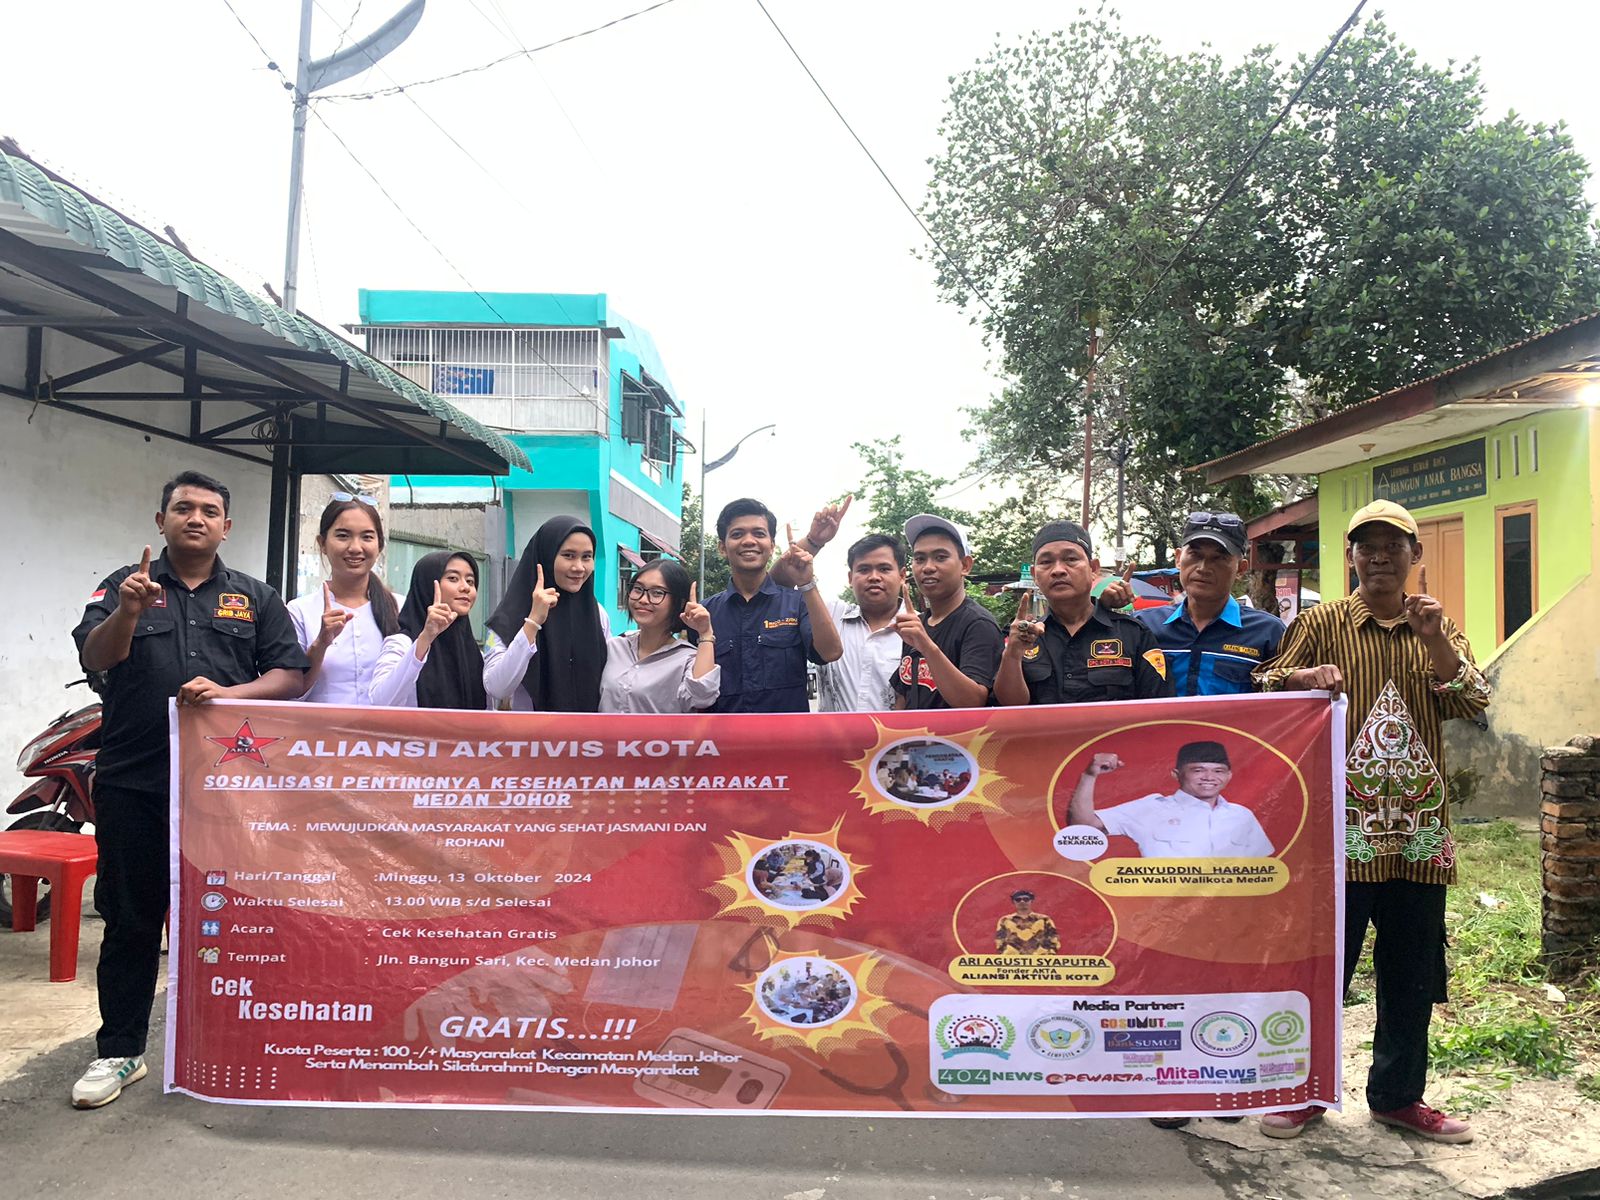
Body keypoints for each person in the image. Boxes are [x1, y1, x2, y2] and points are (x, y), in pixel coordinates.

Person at [1252, 499, 1490, 1144]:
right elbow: (1267, 686)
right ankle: (1303, 1092)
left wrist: (1434, 640)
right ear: (1351, 556)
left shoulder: (1437, 624)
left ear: (1415, 555)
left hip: (1416, 834)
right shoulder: (1321, 622)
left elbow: (1472, 700)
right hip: (1336, 834)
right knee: (1322, 967)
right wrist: (1303, 676)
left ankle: (1398, 1098)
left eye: (1393, 546)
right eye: (1367, 546)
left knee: (1410, 973)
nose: (1379, 556)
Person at [69, 470, 308, 1109]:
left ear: (226, 526)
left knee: (239, 921)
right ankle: (120, 1052)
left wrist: (231, 693)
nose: (195, 518)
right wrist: (128, 611)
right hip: (135, 783)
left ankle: (241, 1044)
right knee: (131, 919)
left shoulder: (255, 598)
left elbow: (290, 675)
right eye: (182, 508)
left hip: (228, 793)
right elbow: (95, 658)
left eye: (208, 510)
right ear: (162, 520)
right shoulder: (125, 586)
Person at [1102, 512, 1286, 696]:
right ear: (1178, 559)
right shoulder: (1143, 626)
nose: (1203, 568)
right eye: (1195, 555)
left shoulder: (1268, 633)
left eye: (1219, 558)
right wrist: (1103, 612)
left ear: (1241, 569)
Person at [994, 521, 1172, 706]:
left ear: (1093, 568)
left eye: (1071, 559)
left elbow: (1160, 708)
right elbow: (1009, 708)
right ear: (1034, 575)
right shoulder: (1022, 638)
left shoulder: (1133, 634)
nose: (1058, 570)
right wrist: (1013, 655)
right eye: (1046, 562)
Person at [702, 498, 842, 712]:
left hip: (788, 733)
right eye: (737, 534)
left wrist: (807, 584)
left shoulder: (797, 603)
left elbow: (830, 653)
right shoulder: (705, 614)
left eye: (759, 534)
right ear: (722, 547)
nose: (749, 541)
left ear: (772, 545)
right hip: (723, 733)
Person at [287, 494, 427, 707]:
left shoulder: (403, 608)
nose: (355, 547)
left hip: (390, 730)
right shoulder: (300, 611)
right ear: (322, 543)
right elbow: (290, 694)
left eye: (367, 537)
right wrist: (320, 644)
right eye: (343, 536)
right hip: (322, 729)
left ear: (380, 545)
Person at [484, 516, 608, 712]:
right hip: (531, 731)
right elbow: (497, 688)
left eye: (587, 557)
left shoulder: (597, 615)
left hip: (586, 731)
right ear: (546, 557)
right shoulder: (511, 615)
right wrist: (533, 622)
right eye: (568, 555)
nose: (579, 567)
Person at [1067, 742, 1273, 857]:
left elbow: (1263, 867)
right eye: (1198, 770)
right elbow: (1083, 826)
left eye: (1218, 771)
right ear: (1176, 774)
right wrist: (1090, 775)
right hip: (1162, 911)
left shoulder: (1242, 815)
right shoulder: (1151, 807)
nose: (1209, 777)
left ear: (1229, 776)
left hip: (1229, 909)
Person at [890, 514, 1003, 710]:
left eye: (940, 557)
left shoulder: (978, 624)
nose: (928, 567)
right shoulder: (918, 624)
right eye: (919, 559)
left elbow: (972, 702)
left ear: (965, 565)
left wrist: (926, 646)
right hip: (914, 730)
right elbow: (903, 694)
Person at [600, 559, 721, 713]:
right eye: (638, 589)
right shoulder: (613, 647)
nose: (643, 600)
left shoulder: (686, 659)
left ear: (679, 602)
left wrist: (705, 633)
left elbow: (703, 697)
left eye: (657, 593)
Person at [816, 533, 908, 712]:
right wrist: (813, 541)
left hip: (896, 732)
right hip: (833, 732)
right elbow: (780, 583)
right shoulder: (830, 616)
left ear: (902, 575)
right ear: (850, 578)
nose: (874, 577)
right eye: (864, 569)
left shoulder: (922, 630)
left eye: (884, 569)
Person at [400, 550, 488, 710]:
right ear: (427, 584)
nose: (465, 587)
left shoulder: (474, 654)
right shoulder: (402, 644)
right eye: (453, 578)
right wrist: (426, 639)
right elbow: (381, 701)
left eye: (470, 581)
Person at [994, 890, 1059, 955]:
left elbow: (1053, 938)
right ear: (1013, 902)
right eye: (1018, 899)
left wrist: (1049, 955)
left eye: (1026, 899)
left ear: (1031, 901)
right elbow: (999, 940)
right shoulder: (1005, 920)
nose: (1022, 901)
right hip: (1013, 958)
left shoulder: (1044, 919)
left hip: (1039, 958)